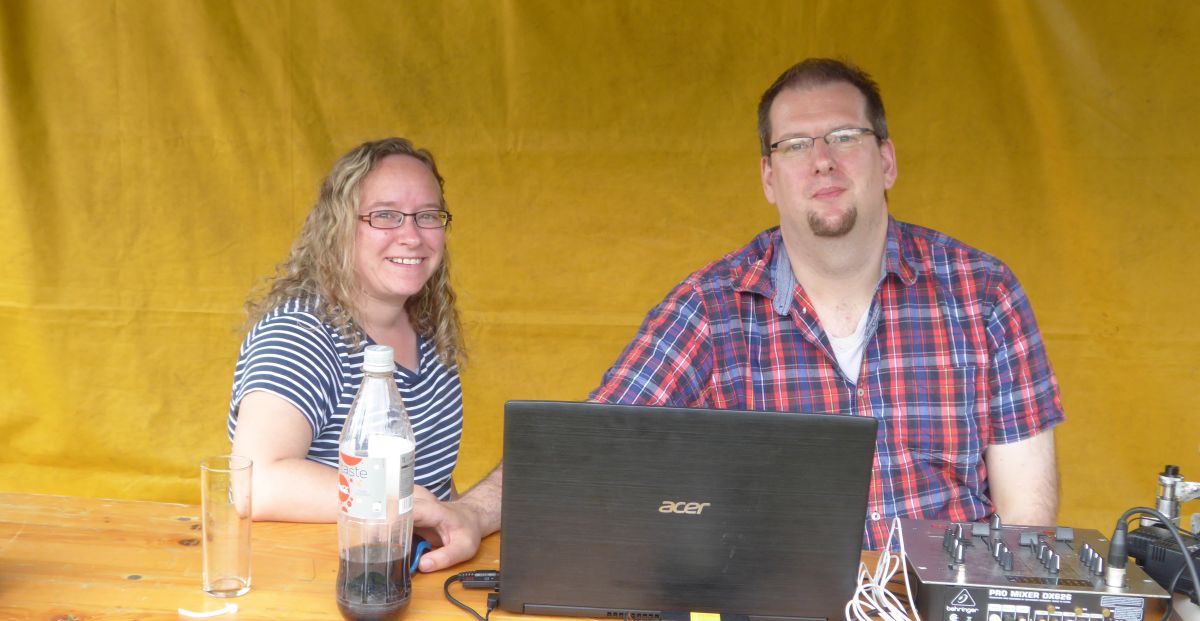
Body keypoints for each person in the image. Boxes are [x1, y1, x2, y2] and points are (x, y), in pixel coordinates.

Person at [590, 58, 1064, 549]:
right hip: (779, 598)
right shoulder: (709, 309)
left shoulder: (983, 292)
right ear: (769, 178)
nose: (822, 160)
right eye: (795, 145)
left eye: (844, 136)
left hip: (943, 595)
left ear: (887, 161)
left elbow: (1025, 518)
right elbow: (590, 453)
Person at [227, 137, 500, 571]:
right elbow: (257, 482)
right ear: (338, 228)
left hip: (403, 574)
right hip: (316, 583)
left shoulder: (426, 328)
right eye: (385, 215)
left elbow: (433, 485)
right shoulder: (301, 333)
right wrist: (401, 500)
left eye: (427, 215)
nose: (411, 236)